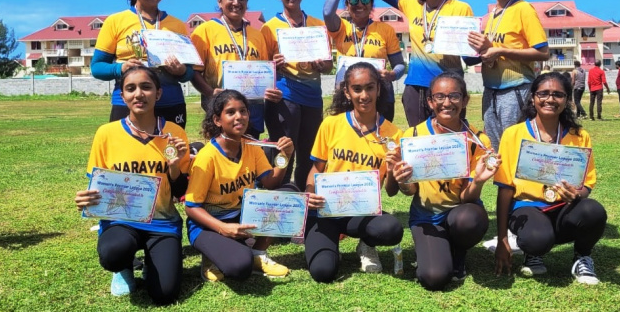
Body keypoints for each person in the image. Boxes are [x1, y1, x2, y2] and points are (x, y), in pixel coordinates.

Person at [74, 66, 190, 304]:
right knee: (113, 253)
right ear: (122, 95)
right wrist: (85, 201)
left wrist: (175, 166)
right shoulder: (106, 133)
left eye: (146, 87)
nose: (139, 94)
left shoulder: (174, 133)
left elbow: (180, 192)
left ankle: (153, 259)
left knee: (165, 294)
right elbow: (98, 187)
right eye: (131, 88)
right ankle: (123, 267)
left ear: (158, 94)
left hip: (162, 223)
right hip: (121, 220)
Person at [493, 72, 607, 285]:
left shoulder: (579, 135)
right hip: (526, 207)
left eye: (558, 95)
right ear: (533, 98)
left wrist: (577, 194)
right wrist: (501, 239)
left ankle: (582, 256)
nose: (550, 99)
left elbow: (587, 183)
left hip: (563, 207)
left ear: (567, 100)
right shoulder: (513, 134)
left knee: (593, 211)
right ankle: (533, 250)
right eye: (543, 93)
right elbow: (505, 188)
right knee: (537, 238)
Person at [390, 72, 499, 290]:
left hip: (460, 212)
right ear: (430, 102)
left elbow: (466, 196)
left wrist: (477, 181)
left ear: (465, 100)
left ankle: (459, 252)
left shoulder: (478, 141)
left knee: (468, 220)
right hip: (427, 217)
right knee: (433, 277)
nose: (447, 103)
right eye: (439, 97)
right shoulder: (412, 136)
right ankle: (440, 249)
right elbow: (409, 191)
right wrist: (402, 180)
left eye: (454, 96)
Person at [304, 62, 403, 282]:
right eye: (357, 89)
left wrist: (395, 168)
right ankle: (329, 246)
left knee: (392, 229)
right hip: (326, 211)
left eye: (370, 87)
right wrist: (309, 192)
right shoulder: (331, 124)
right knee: (323, 272)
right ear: (347, 92)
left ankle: (367, 245)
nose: (364, 95)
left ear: (379, 88)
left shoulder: (393, 134)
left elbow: (392, 191)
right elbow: (316, 169)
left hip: (360, 213)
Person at [359, 0, 476, 127]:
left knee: (451, 140)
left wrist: (483, 51)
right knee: (419, 140)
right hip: (416, 85)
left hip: (449, 87)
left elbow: (470, 57)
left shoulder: (461, 8)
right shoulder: (411, 4)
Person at [184, 90, 295, 281]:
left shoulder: (251, 146)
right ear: (217, 120)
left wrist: (285, 155)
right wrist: (222, 228)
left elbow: (271, 183)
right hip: (209, 225)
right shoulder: (207, 157)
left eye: (243, 111)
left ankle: (258, 254)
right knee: (239, 268)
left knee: (289, 192)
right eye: (231, 112)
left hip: (240, 216)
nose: (239, 117)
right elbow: (191, 207)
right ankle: (210, 256)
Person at [91, 0, 194, 129]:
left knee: (171, 153)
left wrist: (181, 71)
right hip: (128, 103)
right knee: (125, 153)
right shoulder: (115, 22)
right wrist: (120, 68)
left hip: (170, 102)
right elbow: (96, 68)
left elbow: (189, 73)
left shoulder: (178, 25)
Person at [467, 0, 549, 151]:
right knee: (497, 150)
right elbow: (490, 53)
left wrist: (500, 50)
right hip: (491, 90)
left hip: (516, 90)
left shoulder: (523, 9)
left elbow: (543, 52)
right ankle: (502, 183)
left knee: (516, 148)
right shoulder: (489, 17)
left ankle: (516, 184)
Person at [261, 0, 333, 191]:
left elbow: (329, 66)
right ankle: (279, 196)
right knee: (284, 150)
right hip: (285, 97)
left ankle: (304, 201)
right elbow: (262, 68)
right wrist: (273, 63)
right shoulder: (269, 28)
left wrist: (322, 64)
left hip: (312, 98)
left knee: (308, 153)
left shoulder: (319, 25)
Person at [191, 0, 283, 138]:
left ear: (247, 2)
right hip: (221, 109)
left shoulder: (257, 35)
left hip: (252, 111)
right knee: (223, 156)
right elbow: (193, 72)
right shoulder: (204, 31)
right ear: (219, 1)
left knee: (250, 155)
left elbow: (264, 74)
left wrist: (271, 89)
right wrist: (210, 92)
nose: (236, 2)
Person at [322, 0, 406, 121]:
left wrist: (392, 74)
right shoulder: (341, 28)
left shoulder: (385, 30)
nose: (359, 4)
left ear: (372, 4)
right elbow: (327, 12)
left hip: (380, 96)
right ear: (346, 5)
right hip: (347, 96)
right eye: (353, 0)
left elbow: (400, 65)